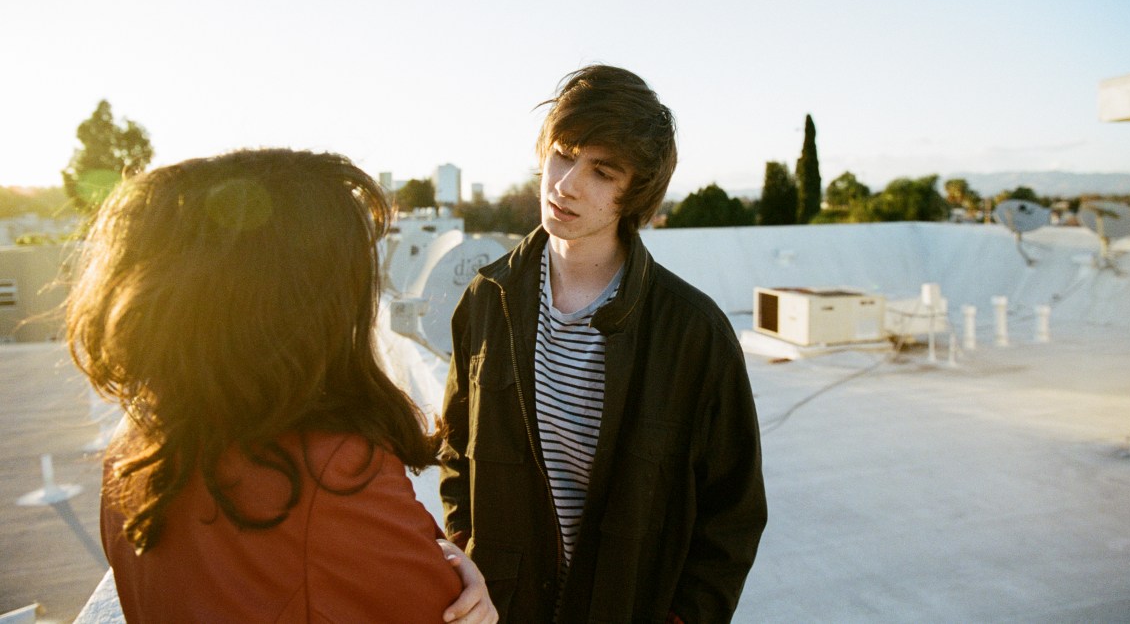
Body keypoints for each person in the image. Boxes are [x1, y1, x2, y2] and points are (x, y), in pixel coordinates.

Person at [67, 148, 497, 623]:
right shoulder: (330, 474)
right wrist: (458, 573)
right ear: (295, 306)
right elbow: (443, 610)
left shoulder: (133, 454)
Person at [440, 65, 767, 622]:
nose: (566, 184)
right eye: (563, 154)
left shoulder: (693, 332)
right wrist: (467, 557)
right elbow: (456, 456)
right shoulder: (486, 300)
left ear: (633, 194)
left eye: (602, 171)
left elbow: (731, 515)